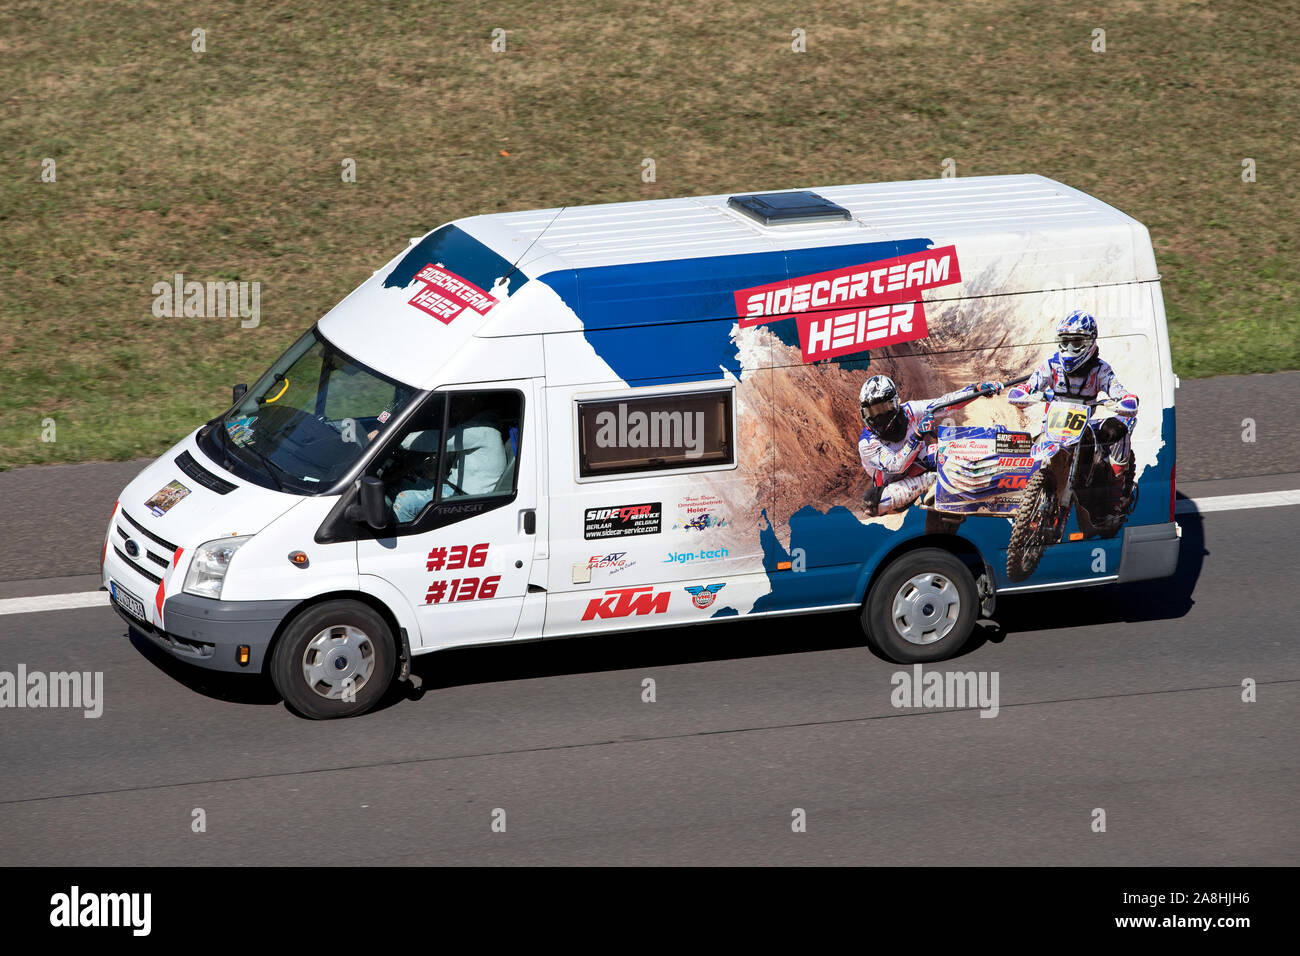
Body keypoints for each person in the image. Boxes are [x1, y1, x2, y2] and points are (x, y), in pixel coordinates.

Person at [1006, 310, 1139, 512]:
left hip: (1085, 425)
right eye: (1065, 342)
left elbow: (1118, 390)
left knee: (1119, 429)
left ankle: (1116, 490)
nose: (1069, 348)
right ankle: (1027, 501)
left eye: (1076, 342)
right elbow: (1030, 386)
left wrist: (1125, 400)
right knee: (1029, 449)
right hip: (1055, 426)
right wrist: (1022, 393)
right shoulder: (1050, 365)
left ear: (1089, 342)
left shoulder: (1100, 370)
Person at [858, 373, 1003, 516]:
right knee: (878, 503)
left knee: (947, 450)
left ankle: (988, 480)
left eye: (881, 409)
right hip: (893, 488)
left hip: (917, 465)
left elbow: (945, 404)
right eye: (871, 411)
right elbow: (896, 465)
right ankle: (934, 481)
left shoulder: (909, 411)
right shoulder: (867, 443)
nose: (877, 416)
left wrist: (976, 391)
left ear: (894, 402)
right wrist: (918, 435)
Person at [391, 402, 508, 523]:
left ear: (473, 401)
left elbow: (438, 440)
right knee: (396, 486)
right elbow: (452, 457)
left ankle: (410, 540)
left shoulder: (483, 430)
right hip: (452, 488)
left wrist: (393, 440)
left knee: (404, 502)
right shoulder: (475, 428)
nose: (454, 407)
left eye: (459, 401)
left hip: (468, 500)